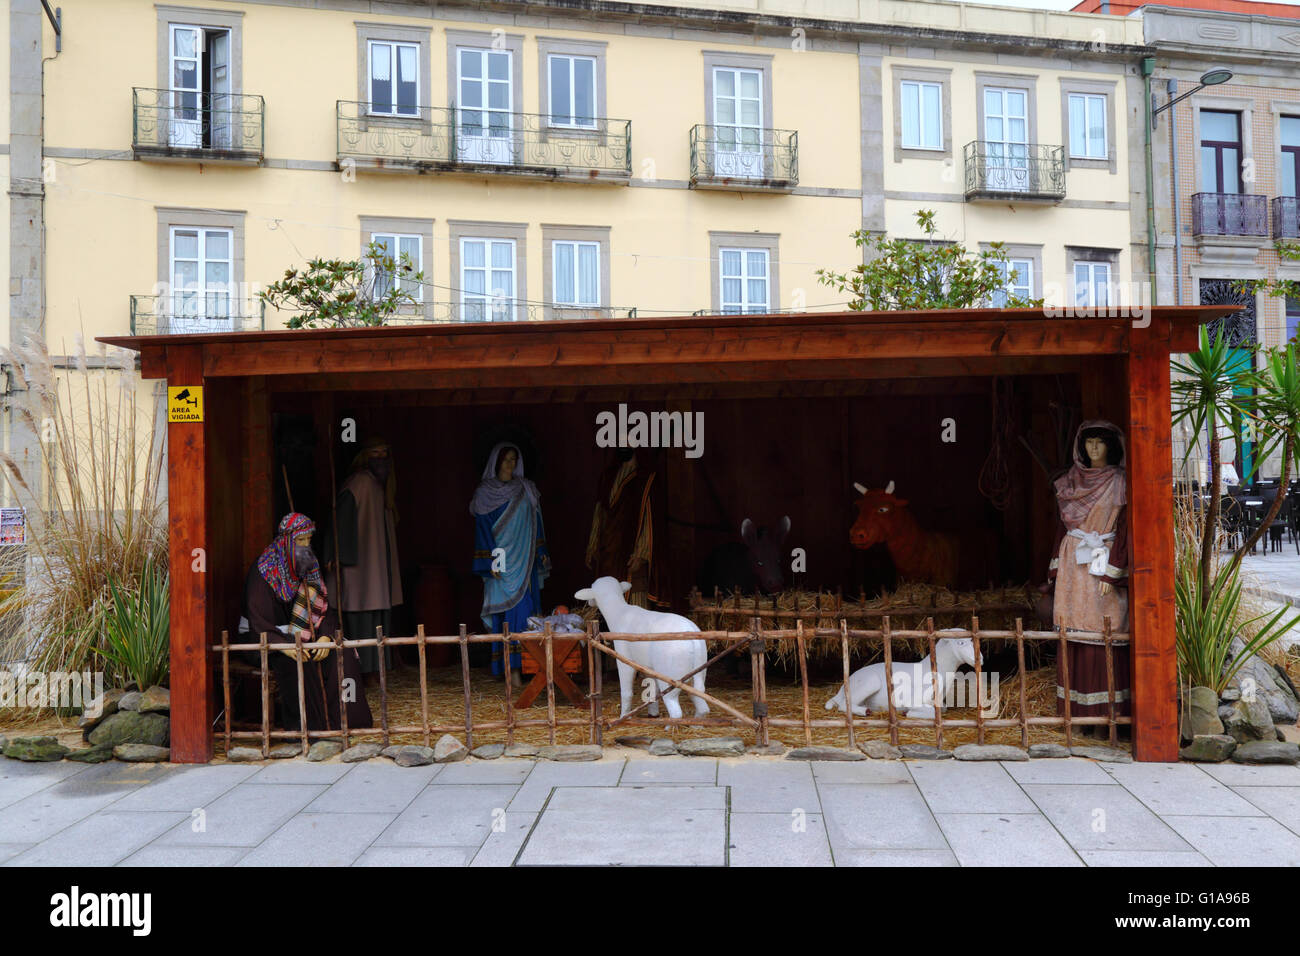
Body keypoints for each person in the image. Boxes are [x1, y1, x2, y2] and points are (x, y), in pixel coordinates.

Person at [240, 512, 372, 732]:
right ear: (285, 541)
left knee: (343, 654)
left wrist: (324, 637)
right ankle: (309, 729)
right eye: (300, 541)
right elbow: (258, 619)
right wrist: (283, 645)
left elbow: (325, 611)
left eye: (308, 540)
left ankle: (346, 722)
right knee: (297, 662)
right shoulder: (263, 571)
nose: (306, 546)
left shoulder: (309, 568)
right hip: (265, 639)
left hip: (304, 635)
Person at [1047, 420, 1130, 737]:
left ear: (1112, 446)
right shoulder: (1069, 481)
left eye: (1101, 442)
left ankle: (1104, 715)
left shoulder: (1120, 481)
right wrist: (1055, 570)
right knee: (1072, 633)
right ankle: (1075, 715)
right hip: (1073, 562)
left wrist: (1114, 569)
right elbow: (1061, 529)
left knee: (1105, 631)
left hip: (1102, 559)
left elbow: (1124, 528)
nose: (1094, 448)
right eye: (1089, 442)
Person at [470, 443, 550, 686]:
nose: (510, 464)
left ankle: (526, 667)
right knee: (503, 616)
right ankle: (507, 670)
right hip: (500, 564)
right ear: (495, 463)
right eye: (505, 460)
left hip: (524, 562)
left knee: (524, 612)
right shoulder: (485, 493)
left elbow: (536, 522)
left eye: (514, 459)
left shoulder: (526, 489)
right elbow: (483, 529)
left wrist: (541, 551)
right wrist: (489, 561)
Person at [335, 437, 402, 676]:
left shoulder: (379, 485)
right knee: (363, 613)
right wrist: (343, 557)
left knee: (377, 616)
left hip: (376, 569)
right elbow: (341, 523)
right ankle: (363, 673)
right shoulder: (359, 483)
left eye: (385, 452)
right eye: (376, 451)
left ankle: (375, 673)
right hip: (362, 571)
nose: (381, 457)